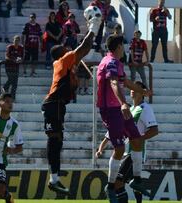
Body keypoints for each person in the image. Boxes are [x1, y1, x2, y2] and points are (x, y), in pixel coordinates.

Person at [41, 7, 102, 194]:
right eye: (65, 48)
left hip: (58, 104)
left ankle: (55, 177)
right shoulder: (63, 60)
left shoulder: (65, 63)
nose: (68, 49)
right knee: (54, 139)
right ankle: (53, 178)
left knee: (58, 140)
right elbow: (83, 48)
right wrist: (94, 26)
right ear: (60, 53)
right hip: (54, 103)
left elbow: (82, 51)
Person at [96, 34, 151, 203]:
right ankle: (110, 187)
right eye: (123, 45)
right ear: (119, 46)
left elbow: (125, 82)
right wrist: (123, 103)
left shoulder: (116, 62)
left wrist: (143, 91)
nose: (125, 48)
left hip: (119, 108)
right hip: (111, 110)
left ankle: (136, 180)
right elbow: (114, 83)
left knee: (136, 140)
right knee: (119, 149)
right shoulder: (111, 62)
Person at [4, 35, 24, 101]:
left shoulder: (21, 48)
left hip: (16, 67)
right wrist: (13, 60)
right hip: (9, 66)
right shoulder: (10, 47)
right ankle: (5, 88)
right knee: (11, 79)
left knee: (15, 83)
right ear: (13, 40)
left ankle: (13, 97)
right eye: (15, 40)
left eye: (18, 40)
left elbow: (22, 57)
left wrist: (20, 60)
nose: (16, 42)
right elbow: (6, 56)